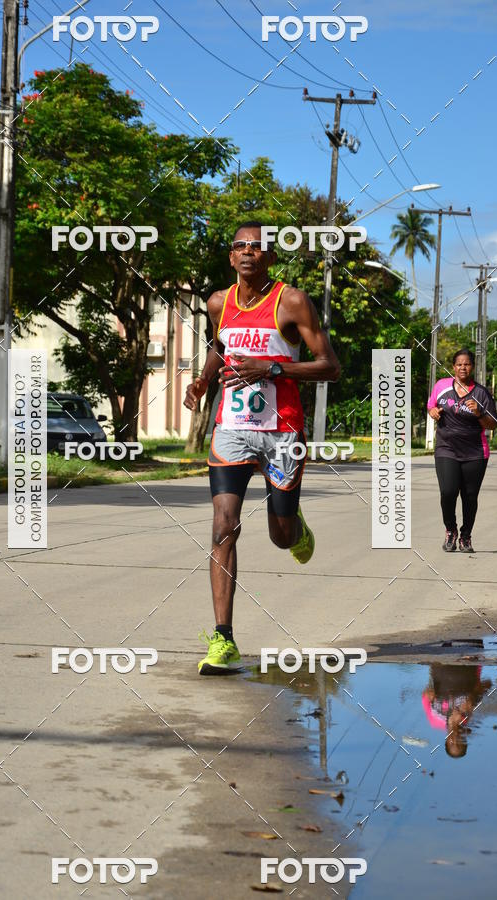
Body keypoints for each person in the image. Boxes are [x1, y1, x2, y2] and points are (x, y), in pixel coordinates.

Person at [184, 221, 340, 675]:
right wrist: (204, 378)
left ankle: (295, 527)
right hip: (231, 426)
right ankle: (224, 639)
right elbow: (220, 344)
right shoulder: (218, 302)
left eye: (258, 246)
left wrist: (273, 368)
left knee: (279, 535)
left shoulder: (291, 302)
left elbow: (329, 366)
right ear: (230, 257)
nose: (249, 252)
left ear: (270, 257)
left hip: (281, 431)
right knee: (222, 525)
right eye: (241, 246)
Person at [427, 348, 497, 552]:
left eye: (467, 364)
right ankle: (451, 530)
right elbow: (431, 404)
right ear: (453, 367)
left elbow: (492, 424)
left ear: (472, 367)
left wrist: (479, 412)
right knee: (448, 492)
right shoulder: (441, 386)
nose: (463, 367)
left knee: (469, 496)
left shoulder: (481, 393)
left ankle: (466, 536)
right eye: (459, 364)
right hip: (446, 448)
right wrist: (432, 411)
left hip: (475, 452)